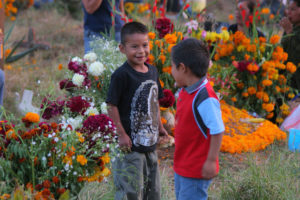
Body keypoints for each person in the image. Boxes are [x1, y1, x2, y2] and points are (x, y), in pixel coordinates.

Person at [106, 22, 168, 200]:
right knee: (131, 190)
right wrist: (121, 134)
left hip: (150, 143)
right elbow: (112, 105)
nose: (141, 51)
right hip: (131, 145)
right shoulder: (121, 75)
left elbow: (154, 101)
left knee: (153, 189)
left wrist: (160, 126)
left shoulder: (153, 71)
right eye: (134, 47)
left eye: (145, 45)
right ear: (122, 49)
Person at [171, 38, 224, 200]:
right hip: (183, 164)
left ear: (182, 68)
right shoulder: (187, 88)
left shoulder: (205, 97)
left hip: (196, 168)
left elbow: (218, 129)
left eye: (173, 67)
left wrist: (210, 161)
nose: (171, 71)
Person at [280, 0, 300, 91]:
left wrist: (289, 32)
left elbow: (295, 57)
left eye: (293, 9)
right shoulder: (292, 28)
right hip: (286, 82)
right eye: (288, 9)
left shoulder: (291, 30)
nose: (288, 12)